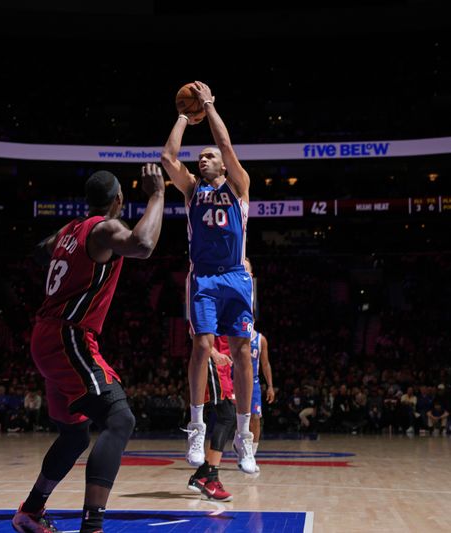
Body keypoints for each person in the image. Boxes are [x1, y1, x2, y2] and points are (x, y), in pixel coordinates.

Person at [12, 164, 164, 533]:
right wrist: (157, 194)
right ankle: (92, 527)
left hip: (46, 335)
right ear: (118, 200)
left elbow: (38, 252)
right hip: (69, 336)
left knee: (75, 435)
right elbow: (142, 245)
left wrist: (67, 256)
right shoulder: (105, 228)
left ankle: (30, 512)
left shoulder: (68, 231)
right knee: (120, 419)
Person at [161, 80, 257, 474]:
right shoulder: (191, 190)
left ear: (222, 164)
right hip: (203, 277)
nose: (202, 160)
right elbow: (168, 157)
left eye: (207, 156)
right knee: (201, 346)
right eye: (199, 156)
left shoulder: (240, 187)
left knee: (241, 352)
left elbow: (228, 147)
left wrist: (211, 107)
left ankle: (244, 435)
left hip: (236, 276)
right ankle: (196, 426)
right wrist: (184, 116)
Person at [187, 336, 236, 502]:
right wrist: (213, 352)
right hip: (212, 362)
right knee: (227, 416)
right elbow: (196, 331)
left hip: (225, 365)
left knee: (228, 417)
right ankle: (211, 480)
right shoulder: (209, 309)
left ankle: (201, 475)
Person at [243, 258, 274, 466]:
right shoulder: (234, 337)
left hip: (253, 382)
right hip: (237, 380)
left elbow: (266, 364)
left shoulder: (260, 339)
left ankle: (251, 453)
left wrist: (270, 386)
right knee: (238, 420)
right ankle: (242, 447)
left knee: (255, 418)